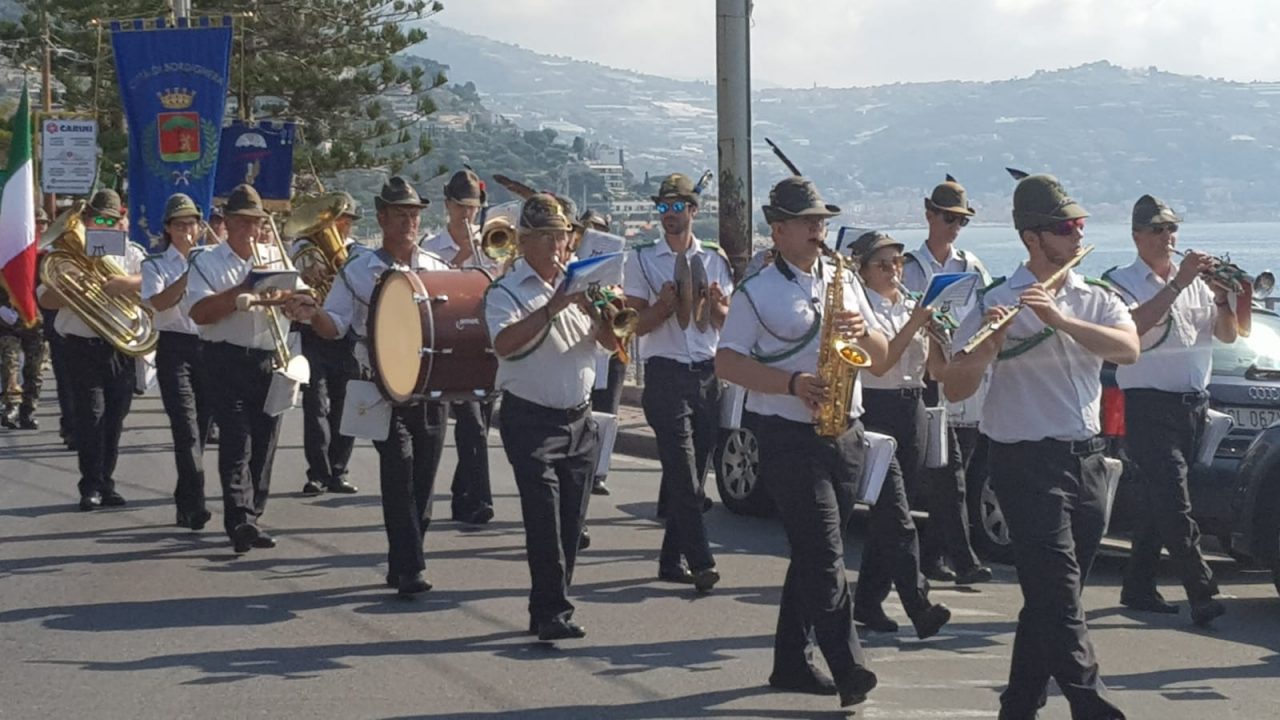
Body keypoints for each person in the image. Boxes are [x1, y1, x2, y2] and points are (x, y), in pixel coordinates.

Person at [946, 174, 1137, 720]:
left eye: (1079, 226)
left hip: (1088, 460)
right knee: (1056, 591)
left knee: (1056, 596)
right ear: (1033, 239)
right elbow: (955, 387)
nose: (1078, 236)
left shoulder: (1094, 297)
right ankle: (1091, 704)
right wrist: (990, 346)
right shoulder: (996, 300)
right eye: (1065, 228)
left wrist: (1061, 319)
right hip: (1023, 462)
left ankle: (1019, 704)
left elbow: (1129, 350)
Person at [715, 177, 885, 709]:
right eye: (809, 222)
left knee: (812, 554)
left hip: (845, 430)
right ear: (780, 229)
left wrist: (862, 332)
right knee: (826, 553)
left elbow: (880, 355)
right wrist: (791, 384)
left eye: (823, 221)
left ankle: (790, 661)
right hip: (788, 434)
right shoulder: (757, 291)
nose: (819, 230)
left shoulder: (843, 278)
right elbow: (726, 361)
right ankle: (849, 666)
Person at [298, 177, 450, 596]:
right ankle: (411, 567)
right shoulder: (357, 270)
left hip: (429, 388)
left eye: (414, 214)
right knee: (398, 471)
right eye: (400, 214)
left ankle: (404, 559)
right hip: (381, 386)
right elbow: (335, 327)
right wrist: (312, 314)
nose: (408, 222)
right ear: (382, 218)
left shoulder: (437, 269)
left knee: (424, 479)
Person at [483, 193, 612, 641]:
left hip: (579, 421)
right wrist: (553, 307)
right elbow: (504, 344)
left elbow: (612, 346)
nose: (561, 247)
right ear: (525, 243)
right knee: (544, 521)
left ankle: (551, 606)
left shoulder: (579, 289)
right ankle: (552, 610)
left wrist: (601, 312)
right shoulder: (505, 292)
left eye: (563, 237)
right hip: (531, 421)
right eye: (550, 238)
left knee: (572, 524)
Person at [1104, 195, 1233, 626]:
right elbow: (1132, 328)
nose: (1167, 238)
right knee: (1175, 502)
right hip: (1147, 404)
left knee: (1164, 500)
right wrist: (1177, 284)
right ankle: (1201, 590)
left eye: (1171, 229)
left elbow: (1230, 336)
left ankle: (1138, 584)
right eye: (1157, 230)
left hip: (1193, 407)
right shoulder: (1120, 281)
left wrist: (1226, 298)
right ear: (1137, 235)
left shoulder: (1195, 282)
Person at [623, 173, 730, 591]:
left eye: (676, 207)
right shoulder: (643, 259)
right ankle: (701, 559)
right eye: (663, 207)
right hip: (665, 372)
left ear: (692, 211)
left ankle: (670, 560)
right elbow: (633, 325)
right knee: (684, 476)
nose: (669, 215)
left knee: (696, 471)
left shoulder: (715, 259)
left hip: (706, 373)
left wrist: (719, 306)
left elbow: (726, 323)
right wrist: (664, 306)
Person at [846, 231, 953, 640]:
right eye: (883, 264)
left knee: (890, 516)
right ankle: (918, 604)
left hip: (913, 406)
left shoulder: (909, 304)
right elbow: (879, 362)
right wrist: (916, 322)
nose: (894, 271)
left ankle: (868, 602)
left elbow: (936, 371)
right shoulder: (863, 308)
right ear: (864, 270)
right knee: (899, 516)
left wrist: (940, 336)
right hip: (877, 406)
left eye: (898, 263)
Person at [186, 184, 304, 553]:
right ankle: (239, 520)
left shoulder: (276, 257)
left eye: (257, 223)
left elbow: (303, 297)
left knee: (265, 440)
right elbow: (198, 313)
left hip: (270, 359)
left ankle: (253, 514)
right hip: (226, 358)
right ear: (229, 223)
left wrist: (295, 302)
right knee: (237, 439)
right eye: (244, 223)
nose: (253, 231)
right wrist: (241, 293)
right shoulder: (206, 261)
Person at [902, 177, 993, 585]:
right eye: (949, 218)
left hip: (963, 377)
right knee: (949, 474)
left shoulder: (971, 267)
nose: (955, 227)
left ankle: (930, 557)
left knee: (956, 471)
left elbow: (987, 310)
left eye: (962, 220)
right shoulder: (907, 267)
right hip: (927, 376)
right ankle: (964, 558)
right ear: (929, 216)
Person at [37, 189, 144, 511]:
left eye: (112, 220)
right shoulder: (65, 256)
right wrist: (68, 287)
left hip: (119, 345)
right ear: (85, 220)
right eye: (98, 219)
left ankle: (106, 481)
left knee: (115, 418)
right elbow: (44, 299)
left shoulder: (131, 253)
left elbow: (152, 281)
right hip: (80, 345)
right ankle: (91, 485)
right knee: (90, 416)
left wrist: (127, 283)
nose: (105, 225)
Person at [421, 169, 499, 524]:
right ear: (448, 205)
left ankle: (462, 496)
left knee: (479, 418)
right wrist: (461, 257)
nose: (467, 214)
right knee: (472, 420)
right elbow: (429, 288)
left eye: (472, 207)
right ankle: (480, 499)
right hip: (450, 341)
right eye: (460, 207)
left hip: (485, 339)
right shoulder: (431, 247)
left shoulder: (494, 242)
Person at [142, 193, 216, 530]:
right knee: (185, 430)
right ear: (168, 229)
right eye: (180, 224)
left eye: (192, 223)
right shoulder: (154, 264)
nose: (187, 230)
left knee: (200, 432)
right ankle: (195, 504)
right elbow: (157, 303)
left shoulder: (212, 259)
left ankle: (185, 501)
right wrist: (191, 273)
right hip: (174, 347)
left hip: (208, 347)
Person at [295, 191, 362, 496]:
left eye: (343, 221)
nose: (339, 226)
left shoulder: (360, 255)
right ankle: (317, 473)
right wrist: (306, 276)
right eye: (336, 221)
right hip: (314, 332)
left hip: (348, 336)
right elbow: (292, 282)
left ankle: (338, 470)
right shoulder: (305, 249)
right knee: (315, 404)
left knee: (345, 405)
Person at [582, 209, 624, 496]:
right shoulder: (571, 270)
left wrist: (609, 297)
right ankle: (583, 469)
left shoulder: (618, 272)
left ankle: (600, 472)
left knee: (607, 413)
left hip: (610, 354)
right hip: (584, 351)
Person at [0, 207, 47, 430]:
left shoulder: (48, 256)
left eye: (43, 223)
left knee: (34, 369)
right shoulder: (8, 251)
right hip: (8, 322)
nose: (39, 227)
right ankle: (11, 407)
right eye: (35, 222)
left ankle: (28, 411)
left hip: (36, 322)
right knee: (9, 364)